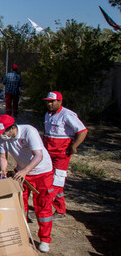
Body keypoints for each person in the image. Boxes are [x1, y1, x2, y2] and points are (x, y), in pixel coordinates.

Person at [0, 114, 54, 253]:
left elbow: (38, 155)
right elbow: (3, 156)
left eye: (4, 133)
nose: (2, 136)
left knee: (43, 206)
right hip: (22, 172)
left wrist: (26, 170)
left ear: (13, 128)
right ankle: (22, 234)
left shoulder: (29, 132)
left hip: (42, 172)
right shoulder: (3, 137)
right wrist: (2, 170)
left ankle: (45, 239)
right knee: (20, 205)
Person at [42, 91, 88, 220]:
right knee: (56, 182)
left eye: (52, 101)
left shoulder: (67, 115)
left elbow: (82, 131)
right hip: (49, 154)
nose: (49, 104)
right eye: (48, 102)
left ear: (60, 102)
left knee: (56, 181)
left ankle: (45, 209)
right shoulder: (48, 114)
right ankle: (61, 210)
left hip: (62, 155)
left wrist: (74, 146)